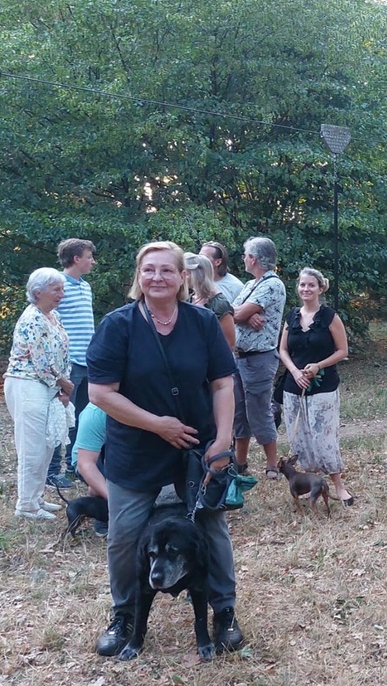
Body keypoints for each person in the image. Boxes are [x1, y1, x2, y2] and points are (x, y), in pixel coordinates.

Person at [87, 241, 244, 656]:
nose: (157, 277)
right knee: (123, 535)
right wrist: (157, 425)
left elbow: (222, 383)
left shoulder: (203, 321)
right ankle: (124, 615)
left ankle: (224, 612)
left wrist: (223, 439)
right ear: (138, 276)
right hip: (136, 447)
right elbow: (100, 393)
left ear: (182, 277)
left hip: (196, 447)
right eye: (149, 270)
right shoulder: (118, 326)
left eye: (166, 270)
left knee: (212, 528)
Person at [278, 267, 352, 504]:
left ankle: (339, 486)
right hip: (293, 386)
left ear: (320, 288)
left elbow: (343, 351)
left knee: (324, 438)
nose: (306, 289)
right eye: (302, 284)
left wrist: (318, 366)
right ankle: (312, 484)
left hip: (323, 387)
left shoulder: (329, 317)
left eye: (311, 285)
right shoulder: (291, 316)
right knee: (301, 438)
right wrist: (294, 371)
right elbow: (283, 350)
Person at [3, 268, 73, 520]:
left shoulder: (53, 316)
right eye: (56, 289)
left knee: (46, 446)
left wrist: (63, 384)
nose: (61, 294)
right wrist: (64, 384)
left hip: (48, 385)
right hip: (27, 384)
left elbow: (63, 352)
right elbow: (41, 362)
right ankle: (26, 506)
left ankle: (36, 498)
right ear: (38, 292)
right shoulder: (32, 318)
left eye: (62, 289)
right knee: (32, 448)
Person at [232, 237, 286, 480]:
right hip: (239, 358)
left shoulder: (272, 284)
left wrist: (243, 313)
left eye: (245, 255)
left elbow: (235, 313)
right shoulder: (250, 284)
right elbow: (229, 310)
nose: (243, 258)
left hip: (259, 359)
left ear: (253, 259)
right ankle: (240, 463)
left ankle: (272, 465)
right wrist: (246, 314)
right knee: (239, 412)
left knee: (259, 411)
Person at [48, 238, 97, 488]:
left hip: (88, 360)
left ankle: (75, 464)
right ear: (76, 259)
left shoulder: (85, 287)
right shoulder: (57, 284)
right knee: (61, 415)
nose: (92, 261)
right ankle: (52, 471)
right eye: (89, 257)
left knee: (81, 417)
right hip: (68, 364)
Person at [71, 402, 110, 536]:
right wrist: (113, 500)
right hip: (89, 460)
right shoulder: (95, 413)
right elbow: (85, 465)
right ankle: (102, 517)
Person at [185, 252, 237, 350]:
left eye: (187, 274)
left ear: (196, 275)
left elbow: (230, 344)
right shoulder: (189, 298)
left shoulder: (219, 303)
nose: (182, 277)